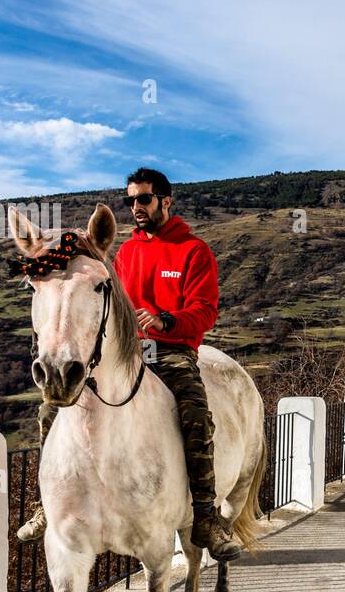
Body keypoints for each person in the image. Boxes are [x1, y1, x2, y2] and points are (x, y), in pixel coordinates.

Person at [17, 167, 238, 558]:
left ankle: (205, 515)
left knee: (195, 413)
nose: (136, 206)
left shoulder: (194, 252)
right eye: (131, 199)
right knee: (52, 409)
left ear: (165, 201)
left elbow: (205, 311)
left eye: (144, 199)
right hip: (124, 353)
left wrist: (166, 320)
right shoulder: (126, 253)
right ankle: (45, 503)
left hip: (171, 352)